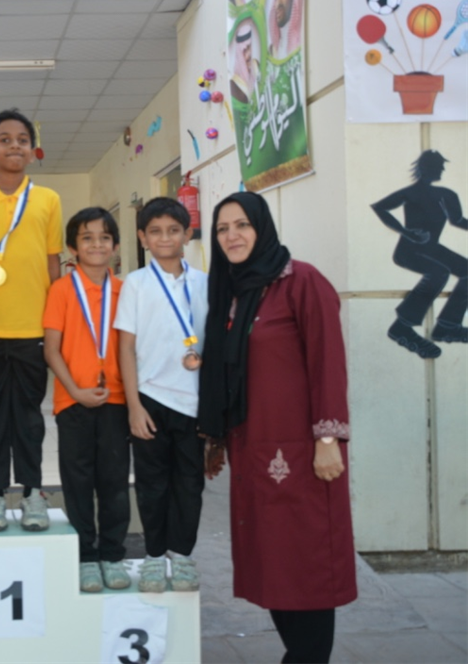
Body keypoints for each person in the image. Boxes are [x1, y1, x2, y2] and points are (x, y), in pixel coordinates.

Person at [199, 192, 356, 664]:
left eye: (242, 225)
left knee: (307, 564)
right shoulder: (231, 292)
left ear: (262, 228)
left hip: (302, 454)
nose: (232, 236)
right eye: (222, 228)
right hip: (252, 450)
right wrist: (217, 437)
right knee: (273, 566)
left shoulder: (302, 282)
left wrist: (327, 439)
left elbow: (328, 363)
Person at [0, 108, 63, 533]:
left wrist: (57, 322)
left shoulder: (48, 200)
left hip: (32, 329)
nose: (14, 146)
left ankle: (33, 491)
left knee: (28, 417)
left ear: (33, 150)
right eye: (4, 140)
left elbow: (53, 263)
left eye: (22, 139)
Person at [114, 197, 208, 594]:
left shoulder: (204, 282)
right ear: (142, 238)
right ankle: (154, 555)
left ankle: (181, 555)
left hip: (194, 402)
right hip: (150, 399)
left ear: (188, 234)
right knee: (152, 483)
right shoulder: (135, 284)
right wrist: (134, 406)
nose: (164, 238)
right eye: (155, 231)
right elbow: (125, 348)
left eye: (173, 230)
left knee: (190, 483)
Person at [42, 207, 131, 593]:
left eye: (104, 238)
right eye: (87, 238)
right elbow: (51, 349)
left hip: (117, 400)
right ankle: (85, 557)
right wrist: (75, 391)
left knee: (114, 481)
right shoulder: (61, 290)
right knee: (77, 481)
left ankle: (112, 554)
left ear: (116, 245)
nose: (97, 245)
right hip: (72, 401)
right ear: (72, 248)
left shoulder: (127, 291)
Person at [372, 150, 468, 358]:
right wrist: (406, 232)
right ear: (425, 169)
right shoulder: (411, 193)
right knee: (438, 273)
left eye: (442, 167)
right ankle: (401, 327)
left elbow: (458, 220)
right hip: (409, 250)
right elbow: (380, 207)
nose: (442, 170)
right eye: (438, 167)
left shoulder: (446, 194)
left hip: (432, 248)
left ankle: (448, 326)